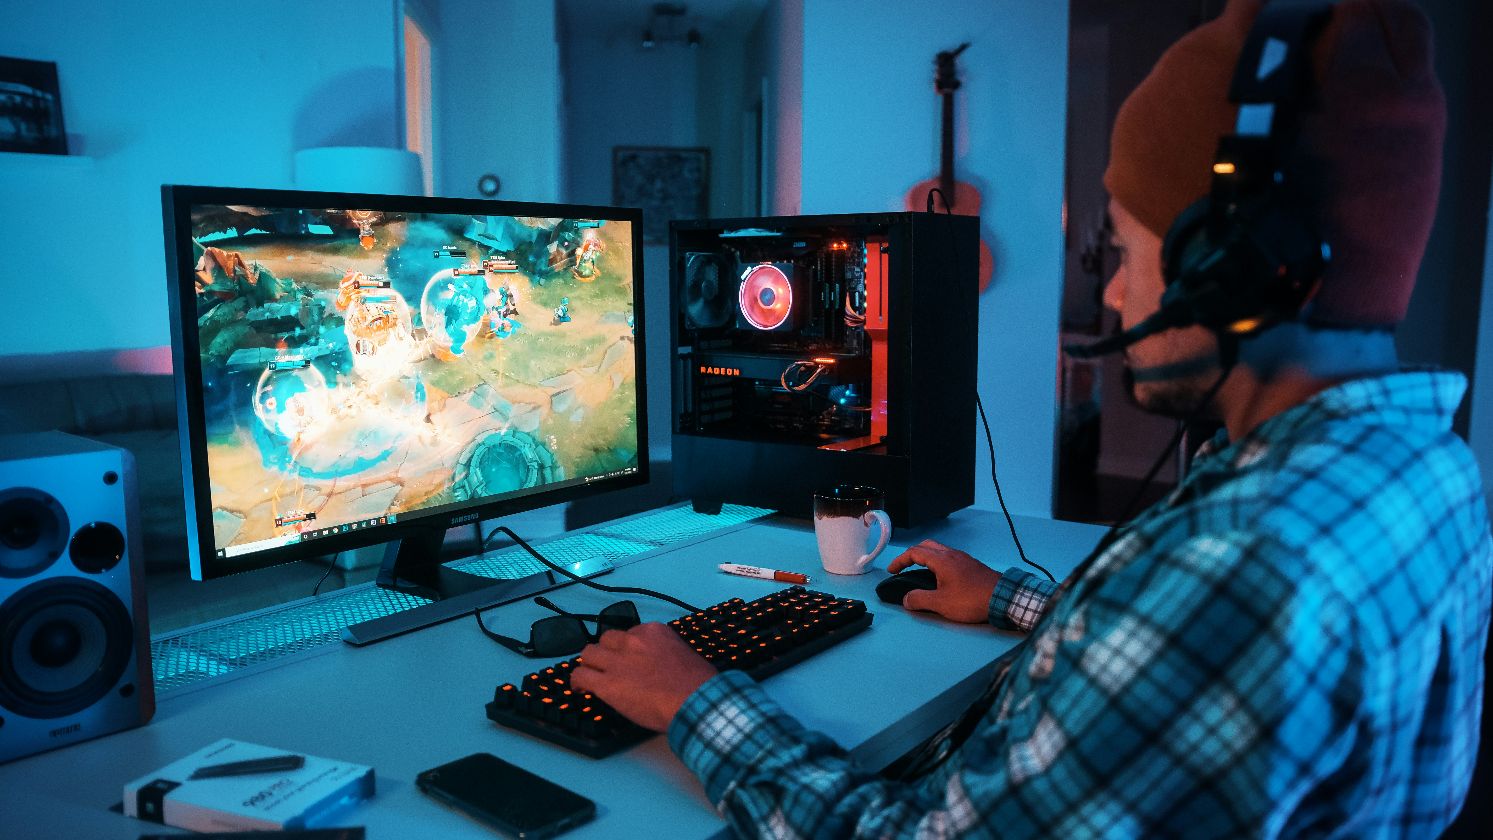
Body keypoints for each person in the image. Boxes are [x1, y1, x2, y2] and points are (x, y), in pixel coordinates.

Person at [569, 0, 1492, 836]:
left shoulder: (1244, 561)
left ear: (1236, 272)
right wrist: (1019, 600)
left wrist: (697, 703)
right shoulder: (1422, 468)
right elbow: (1182, 670)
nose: (1117, 296)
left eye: (1123, 253)